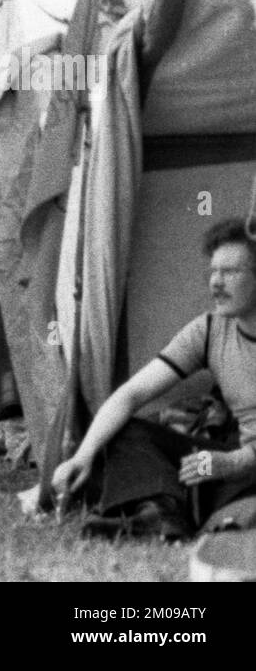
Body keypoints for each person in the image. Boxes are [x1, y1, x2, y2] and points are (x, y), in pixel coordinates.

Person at [52, 218, 256, 540]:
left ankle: (213, 517)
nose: (215, 283)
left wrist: (233, 463)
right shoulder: (210, 329)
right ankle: (159, 515)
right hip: (234, 461)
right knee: (125, 430)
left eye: (230, 272)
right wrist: (83, 455)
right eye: (213, 272)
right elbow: (130, 395)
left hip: (246, 467)